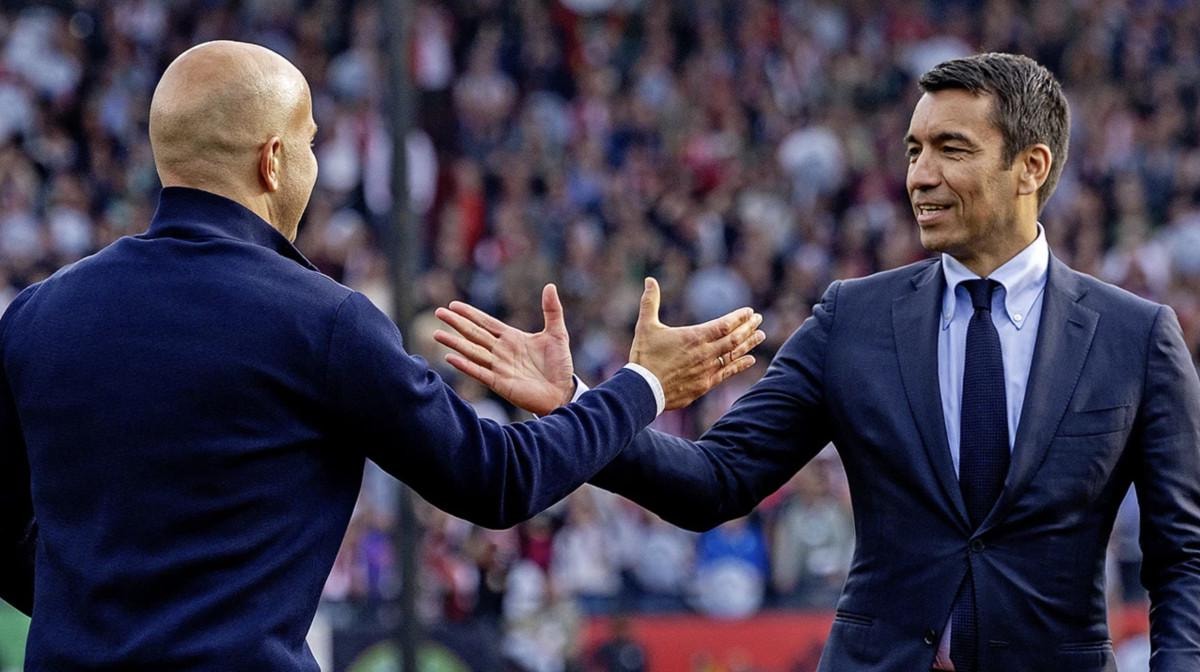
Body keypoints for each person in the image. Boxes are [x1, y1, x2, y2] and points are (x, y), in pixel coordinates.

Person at [0, 40, 765, 671]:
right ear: (273, 162)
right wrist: (641, 386)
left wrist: (111, 616)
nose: (314, 164)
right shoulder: (322, 322)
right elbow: (496, 480)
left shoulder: (37, 315)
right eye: (310, 144)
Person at [435, 53, 1200, 671]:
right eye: (913, 150)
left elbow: (1185, 557)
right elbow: (715, 480)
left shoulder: (1135, 337)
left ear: (1031, 166)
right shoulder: (853, 319)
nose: (919, 175)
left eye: (951, 149)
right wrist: (579, 404)